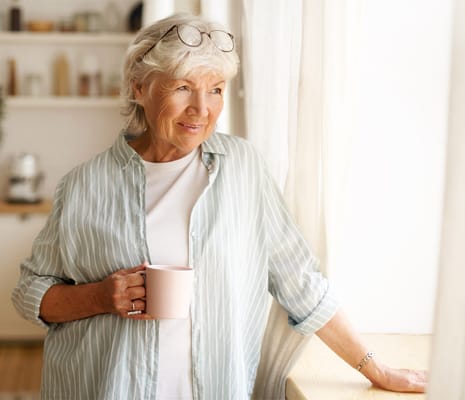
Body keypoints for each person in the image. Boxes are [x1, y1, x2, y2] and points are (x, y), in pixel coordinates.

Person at [12, 13, 426, 400]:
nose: (202, 109)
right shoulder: (84, 184)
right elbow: (30, 292)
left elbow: (300, 281)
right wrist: (102, 297)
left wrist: (376, 370)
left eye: (215, 90)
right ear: (139, 87)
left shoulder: (243, 169)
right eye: (183, 87)